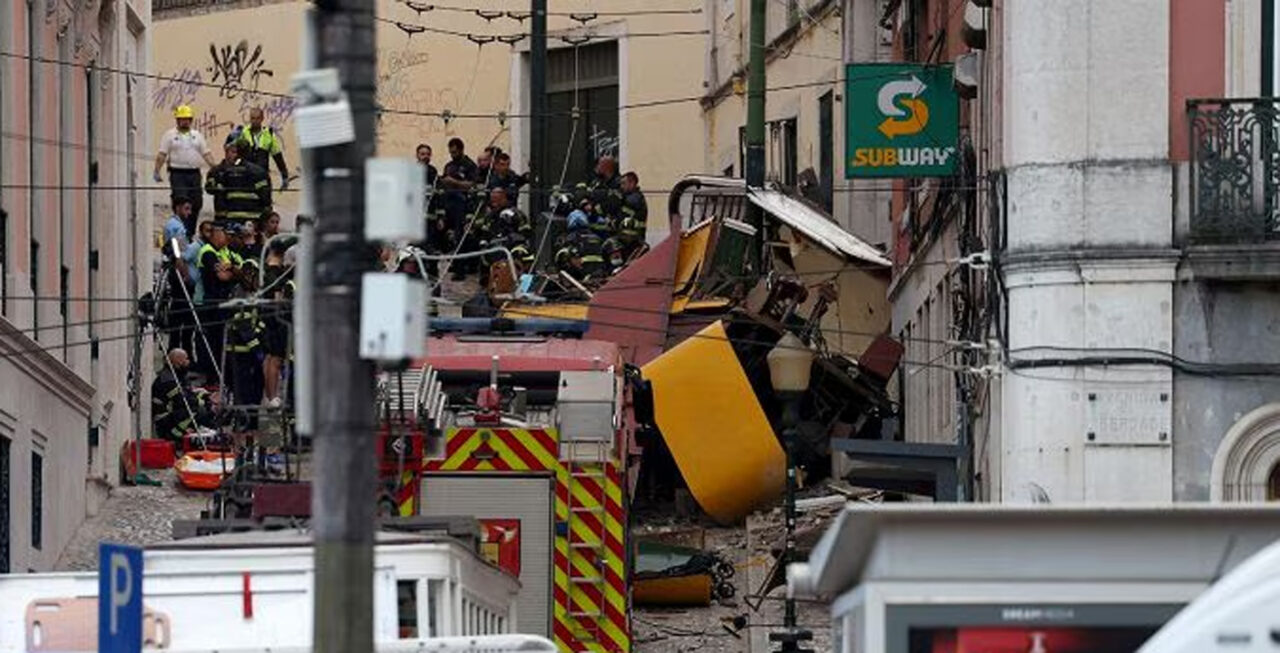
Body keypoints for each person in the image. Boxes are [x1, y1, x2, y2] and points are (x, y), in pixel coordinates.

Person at [154, 105, 218, 239]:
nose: (185, 122)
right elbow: (162, 154)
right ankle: (179, 230)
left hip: (194, 174)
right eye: (182, 119)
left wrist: (214, 166)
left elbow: (206, 153)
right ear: (177, 120)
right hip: (178, 174)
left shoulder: (197, 135)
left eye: (188, 119)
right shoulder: (170, 135)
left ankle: (190, 231)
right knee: (181, 202)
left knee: (196, 202)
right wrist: (157, 171)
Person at [197, 221, 240, 381]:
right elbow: (222, 276)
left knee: (223, 341)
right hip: (212, 302)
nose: (228, 237)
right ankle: (212, 377)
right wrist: (233, 271)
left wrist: (232, 269)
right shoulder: (208, 252)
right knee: (214, 341)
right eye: (225, 234)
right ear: (216, 234)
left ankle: (221, 374)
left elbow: (243, 270)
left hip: (223, 301)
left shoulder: (226, 252)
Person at [205, 140, 272, 226]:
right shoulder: (217, 171)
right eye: (233, 152)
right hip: (225, 218)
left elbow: (265, 196)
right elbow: (209, 189)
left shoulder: (256, 171)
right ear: (226, 151)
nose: (235, 155)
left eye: (237, 152)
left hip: (252, 218)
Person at [440, 138, 479, 279]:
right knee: (447, 238)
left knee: (460, 236)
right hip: (448, 204)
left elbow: (472, 185)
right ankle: (454, 262)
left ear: (461, 150)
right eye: (450, 152)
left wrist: (455, 182)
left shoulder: (470, 166)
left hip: (463, 205)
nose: (452, 155)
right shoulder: (449, 166)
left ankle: (461, 270)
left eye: (455, 152)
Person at [151, 348, 209, 442]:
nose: (188, 362)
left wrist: (205, 395)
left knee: (199, 405)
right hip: (164, 421)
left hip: (171, 415)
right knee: (196, 408)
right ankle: (176, 434)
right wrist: (205, 401)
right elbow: (183, 401)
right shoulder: (168, 380)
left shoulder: (176, 374)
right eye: (185, 359)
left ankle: (189, 429)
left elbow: (186, 392)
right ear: (178, 362)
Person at [162, 199, 195, 355]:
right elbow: (178, 253)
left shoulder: (175, 224)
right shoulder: (176, 227)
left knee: (178, 310)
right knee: (181, 311)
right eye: (186, 209)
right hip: (178, 274)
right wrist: (185, 274)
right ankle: (178, 348)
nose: (189, 213)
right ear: (178, 208)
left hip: (176, 271)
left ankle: (177, 346)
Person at [235, 107, 291, 190]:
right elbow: (235, 154)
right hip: (246, 175)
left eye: (257, 118)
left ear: (262, 119)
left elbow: (277, 157)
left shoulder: (268, 134)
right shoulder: (243, 132)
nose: (255, 121)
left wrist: (284, 176)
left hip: (262, 175)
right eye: (252, 118)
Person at [604, 171, 649, 269]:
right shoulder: (633, 198)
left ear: (632, 183)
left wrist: (612, 222)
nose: (621, 186)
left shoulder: (633, 200)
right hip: (633, 238)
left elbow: (620, 219)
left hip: (631, 239)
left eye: (624, 183)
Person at [555, 209, 607, 283]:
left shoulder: (573, 237)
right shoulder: (596, 236)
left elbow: (571, 255)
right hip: (599, 271)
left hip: (583, 271)